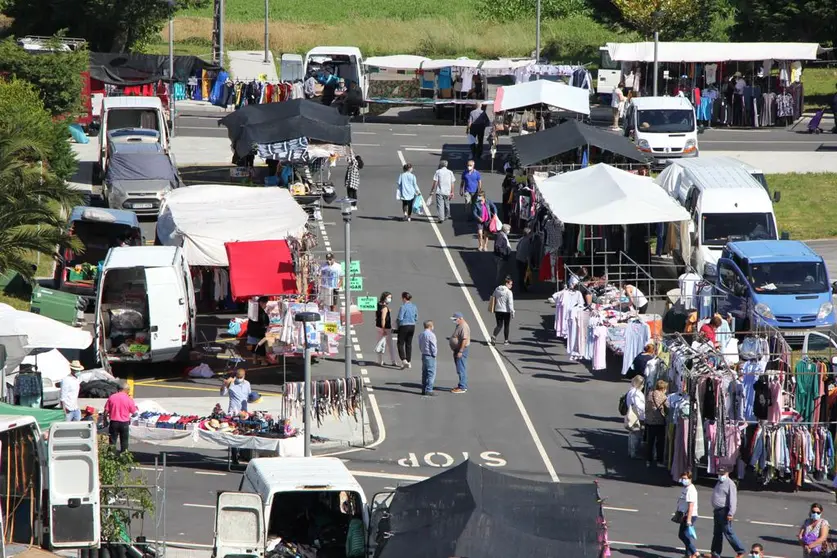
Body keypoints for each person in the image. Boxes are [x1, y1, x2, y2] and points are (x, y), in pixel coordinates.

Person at [710, 467, 745, 558]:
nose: (721, 476)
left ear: (727, 474)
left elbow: (733, 500)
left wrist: (730, 513)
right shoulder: (719, 482)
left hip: (724, 511)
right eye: (719, 474)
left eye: (722, 474)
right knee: (717, 533)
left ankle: (740, 550)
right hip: (717, 511)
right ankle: (715, 552)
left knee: (728, 532)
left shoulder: (730, 484)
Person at [221, 368, 252, 464]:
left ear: (244, 376)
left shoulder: (247, 384)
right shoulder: (231, 383)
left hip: (244, 413)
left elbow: (249, 396)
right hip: (233, 413)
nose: (239, 379)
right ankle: (234, 456)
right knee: (234, 433)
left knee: (243, 433)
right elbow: (222, 393)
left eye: (240, 377)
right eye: (238, 377)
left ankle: (242, 454)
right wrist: (224, 385)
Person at [104, 379, 137, 454]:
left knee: (112, 441)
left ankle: (111, 457)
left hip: (114, 423)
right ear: (125, 389)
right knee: (124, 442)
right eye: (128, 389)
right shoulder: (129, 399)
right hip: (124, 423)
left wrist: (105, 420)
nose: (129, 391)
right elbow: (134, 412)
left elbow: (106, 411)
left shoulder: (112, 397)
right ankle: (123, 457)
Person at [675, 470, 699, 558]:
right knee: (686, 535)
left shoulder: (691, 490)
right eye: (682, 478)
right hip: (684, 515)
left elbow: (691, 506)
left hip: (689, 515)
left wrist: (688, 520)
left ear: (690, 479)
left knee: (682, 535)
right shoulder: (685, 488)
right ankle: (688, 555)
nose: (683, 480)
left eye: (685, 478)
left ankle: (694, 552)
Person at [644, 379, 668, 467]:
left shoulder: (650, 394)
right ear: (663, 388)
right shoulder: (663, 396)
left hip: (649, 421)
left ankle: (648, 460)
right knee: (660, 442)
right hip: (659, 422)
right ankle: (659, 460)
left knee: (650, 441)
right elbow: (667, 407)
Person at [449, 312, 471, 394]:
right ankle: (461, 385)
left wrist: (460, 351)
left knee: (461, 368)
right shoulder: (460, 325)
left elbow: (464, 340)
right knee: (459, 367)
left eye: (455, 319)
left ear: (460, 318)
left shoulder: (464, 326)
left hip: (461, 350)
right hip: (457, 349)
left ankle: (462, 387)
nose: (454, 321)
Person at [624, 375, 645, 458]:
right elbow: (638, 406)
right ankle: (633, 453)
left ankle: (631, 451)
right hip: (637, 416)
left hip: (632, 414)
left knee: (632, 433)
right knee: (635, 434)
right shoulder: (636, 393)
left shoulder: (631, 391)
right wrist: (646, 410)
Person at [490, 276, 515, 345]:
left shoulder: (497, 289)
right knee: (506, 326)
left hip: (497, 310)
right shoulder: (509, 292)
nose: (511, 286)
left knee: (499, 325)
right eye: (510, 284)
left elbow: (493, 297)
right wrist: (512, 311)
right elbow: (510, 303)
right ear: (507, 284)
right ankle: (506, 340)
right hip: (506, 311)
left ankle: (494, 336)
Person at [375, 292, 398, 366]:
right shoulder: (384, 308)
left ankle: (380, 361)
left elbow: (377, 314)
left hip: (378, 326)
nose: (390, 299)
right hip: (385, 328)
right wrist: (384, 329)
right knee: (389, 345)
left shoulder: (378, 304)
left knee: (380, 343)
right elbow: (383, 318)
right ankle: (393, 361)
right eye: (389, 297)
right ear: (384, 298)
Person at [396, 292, 418, 369]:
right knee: (409, 344)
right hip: (412, 325)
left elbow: (400, 318)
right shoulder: (414, 306)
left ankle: (403, 359)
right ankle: (409, 361)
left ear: (404, 298)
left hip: (404, 325)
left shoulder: (403, 307)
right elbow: (416, 317)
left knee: (400, 343)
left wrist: (397, 326)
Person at [246, 296, 270, 365]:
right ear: (262, 303)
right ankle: (263, 361)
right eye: (266, 303)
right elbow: (265, 324)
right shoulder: (262, 313)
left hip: (251, 331)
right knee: (261, 347)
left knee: (254, 347)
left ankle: (254, 360)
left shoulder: (253, 309)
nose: (266, 305)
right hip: (259, 333)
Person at [418, 320, 437, 396]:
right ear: (430, 326)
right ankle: (429, 389)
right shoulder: (431, 335)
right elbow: (433, 346)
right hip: (430, 355)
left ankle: (424, 388)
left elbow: (420, 345)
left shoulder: (421, 334)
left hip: (424, 355)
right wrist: (434, 354)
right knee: (431, 373)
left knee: (424, 373)